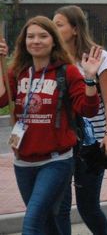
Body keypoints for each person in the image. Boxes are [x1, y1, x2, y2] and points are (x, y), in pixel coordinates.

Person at [0, 17, 100, 235]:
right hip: (23, 161)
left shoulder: (67, 72)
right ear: (23, 41)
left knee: (32, 223)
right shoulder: (17, 72)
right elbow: (0, 99)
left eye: (43, 36)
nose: (36, 41)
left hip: (56, 161)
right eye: (31, 36)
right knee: (46, 223)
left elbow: (88, 109)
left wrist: (90, 79)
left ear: (54, 41)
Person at [53, 6, 107, 235]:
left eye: (59, 24)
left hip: (92, 142)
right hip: (60, 142)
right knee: (59, 207)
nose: (53, 28)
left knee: (87, 206)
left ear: (75, 29)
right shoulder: (53, 59)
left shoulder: (97, 56)